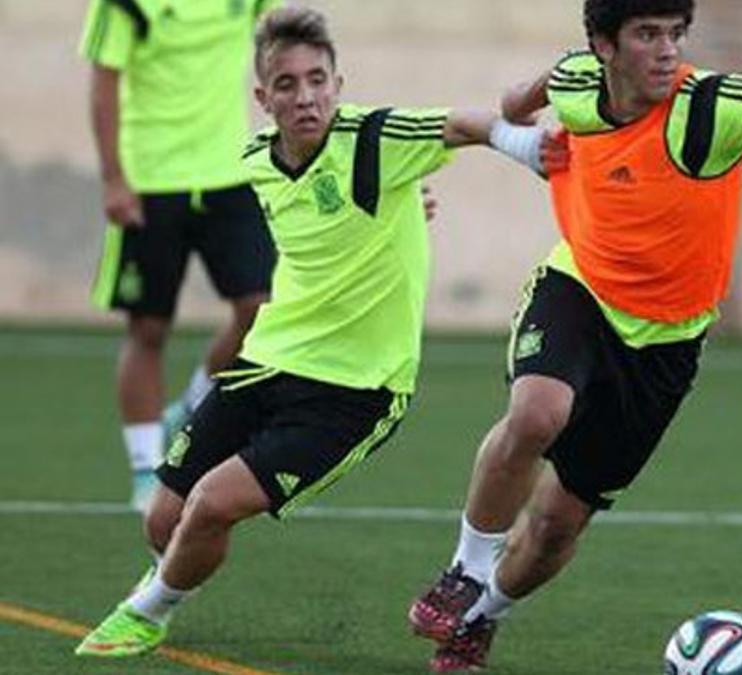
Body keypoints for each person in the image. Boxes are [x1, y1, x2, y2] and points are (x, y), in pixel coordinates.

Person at [74, 5, 556, 658]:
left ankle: (146, 609)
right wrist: (403, 207)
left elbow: (460, 124)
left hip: (355, 388)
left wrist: (526, 147)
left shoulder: (375, 138)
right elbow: (327, 219)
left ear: (338, 82)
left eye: (317, 79)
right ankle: (172, 571)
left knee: (212, 503)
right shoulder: (257, 162)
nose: (306, 96)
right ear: (262, 97)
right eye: (288, 84)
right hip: (266, 362)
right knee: (165, 517)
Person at [407, 0, 742, 670]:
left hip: (668, 341)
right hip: (580, 287)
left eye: (675, 33)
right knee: (538, 412)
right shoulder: (576, 80)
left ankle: (478, 618)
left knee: (560, 522)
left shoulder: (708, 105)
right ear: (603, 45)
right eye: (647, 34)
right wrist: (524, 126)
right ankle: (463, 571)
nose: (667, 50)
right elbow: (518, 98)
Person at [79, 0, 284, 512]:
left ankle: (194, 404)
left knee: (260, 309)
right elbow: (104, 84)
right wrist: (113, 178)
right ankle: (147, 469)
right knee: (148, 329)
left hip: (229, 176)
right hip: (151, 181)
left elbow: (282, 41)